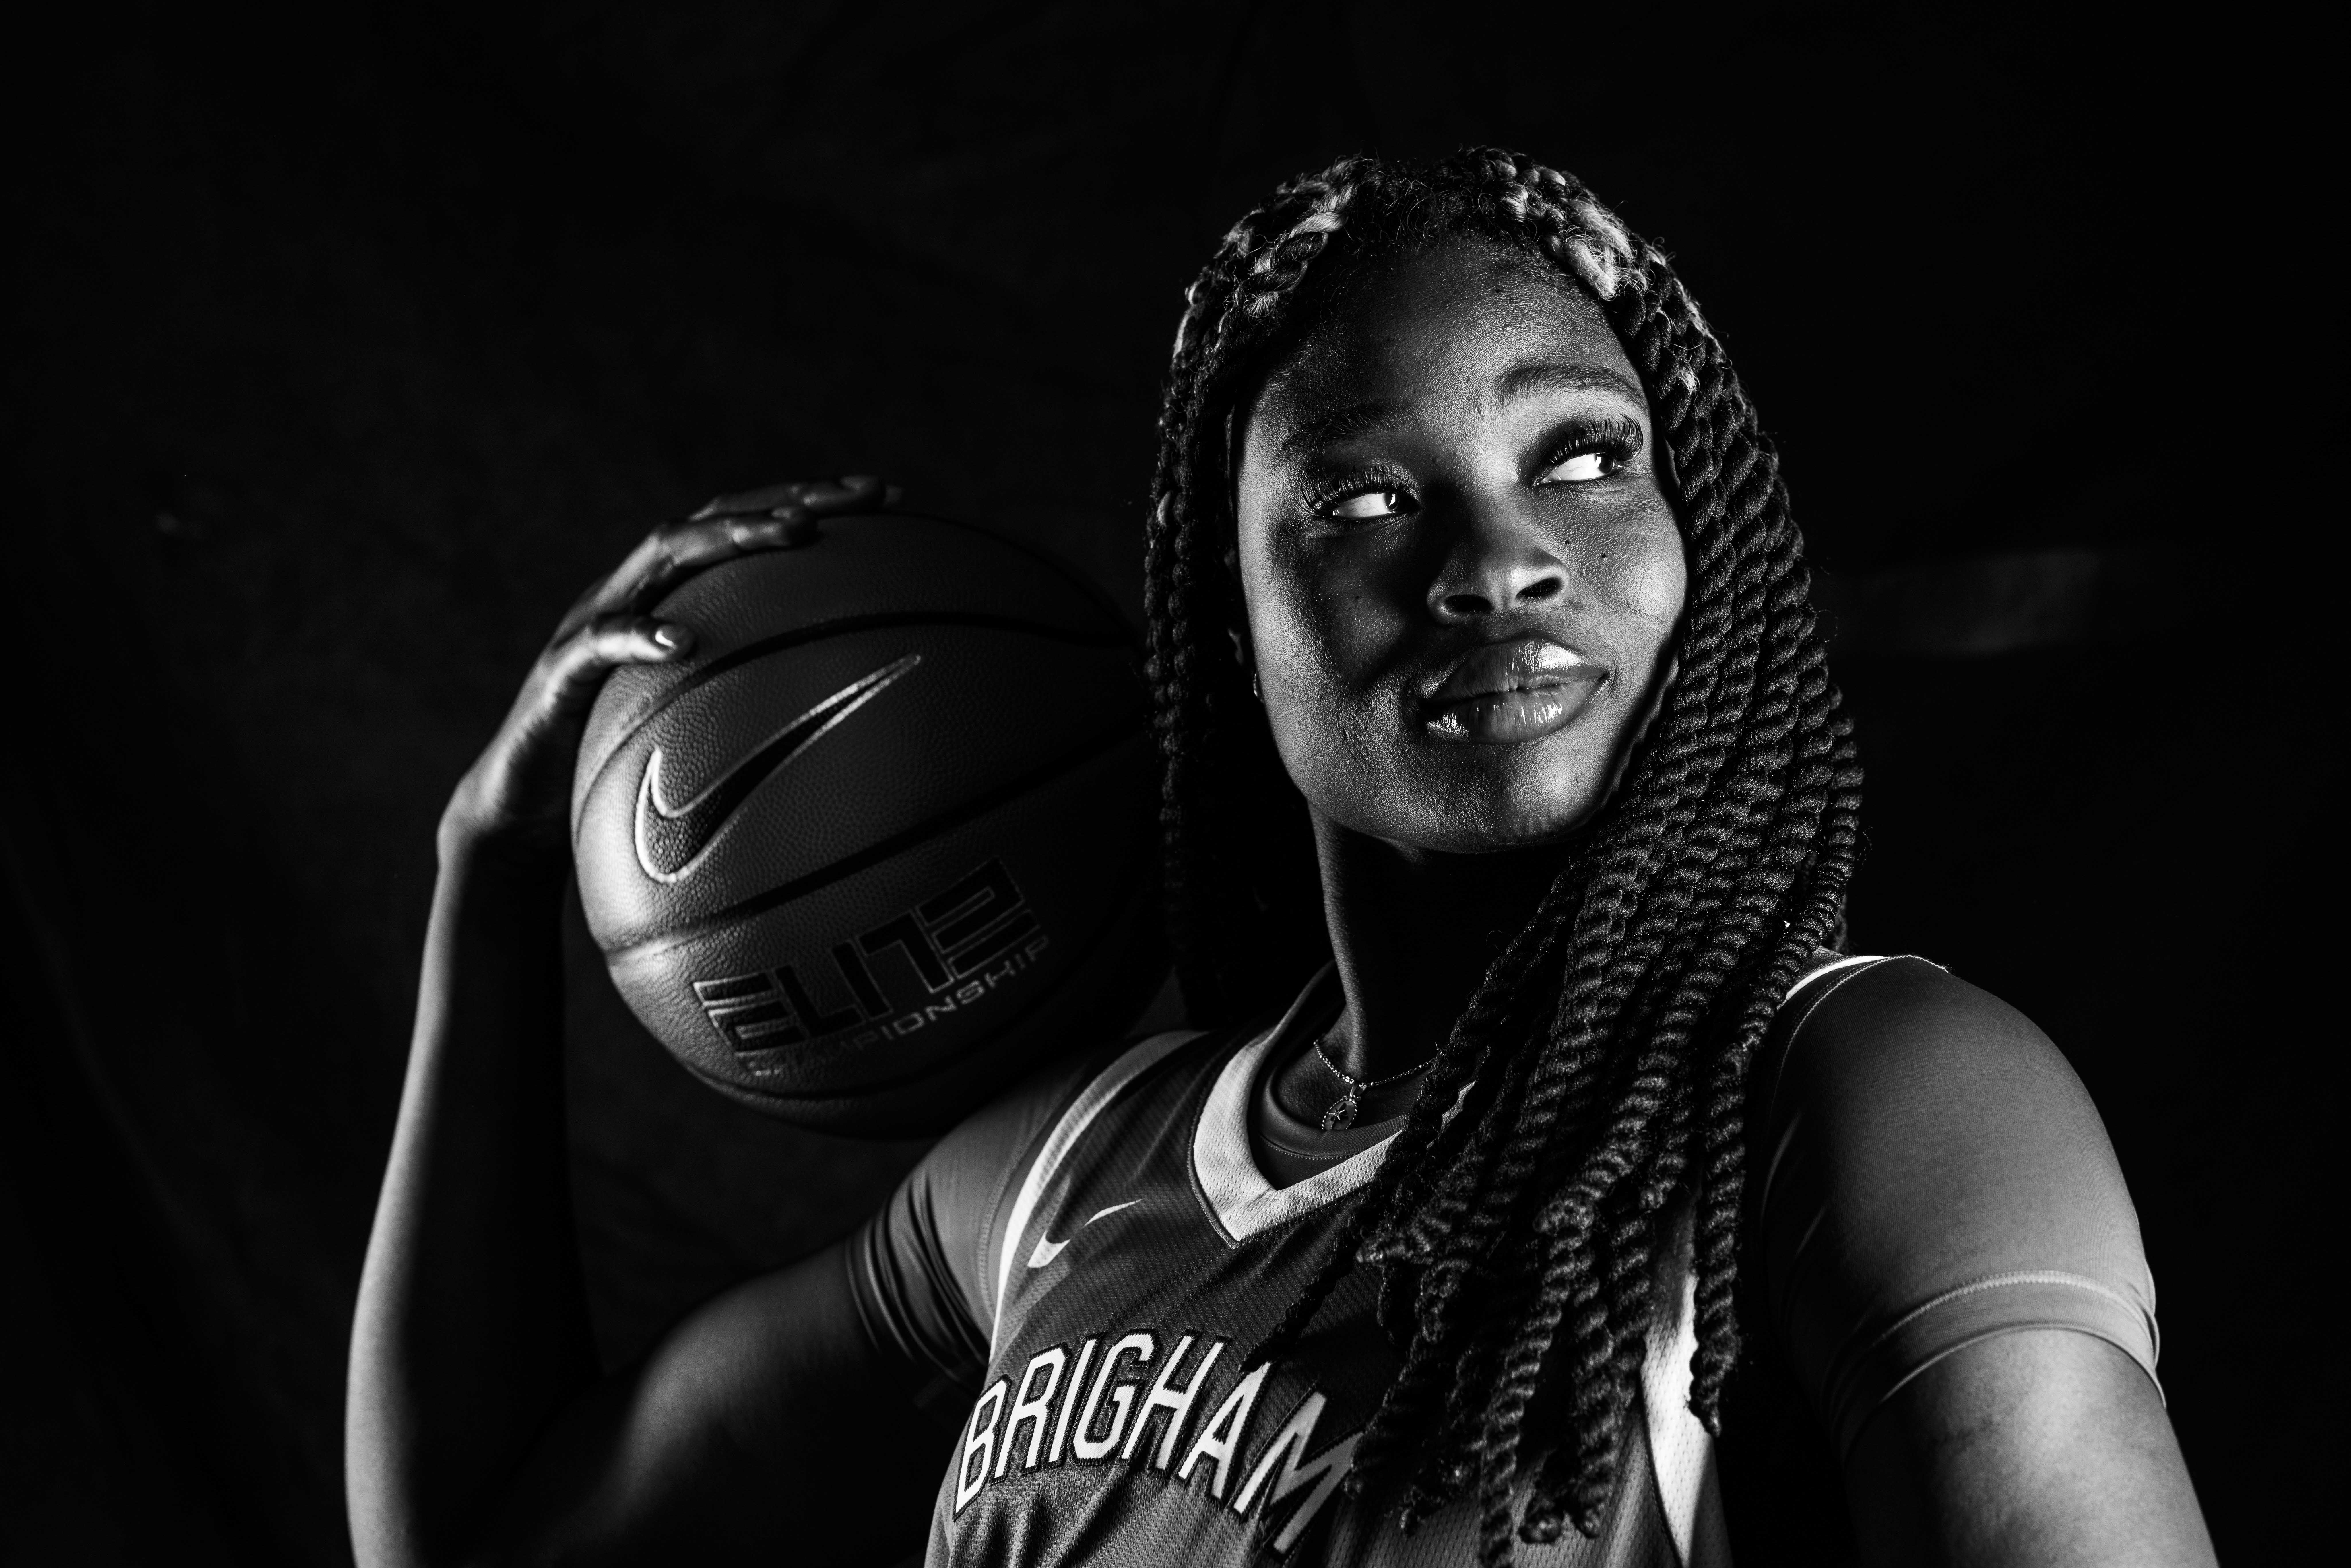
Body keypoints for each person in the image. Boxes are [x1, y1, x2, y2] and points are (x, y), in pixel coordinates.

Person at [346, 150, 2215, 1567]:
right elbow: (490, 1531)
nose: (1495, 558)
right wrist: (492, 871)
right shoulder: (1063, 1183)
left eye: (1583, 454)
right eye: (1368, 496)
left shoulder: (1860, 1101)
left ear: (1696, 538)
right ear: (1232, 626)